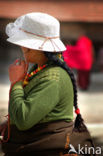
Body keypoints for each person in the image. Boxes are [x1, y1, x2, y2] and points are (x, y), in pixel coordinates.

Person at [0, 13, 93, 156]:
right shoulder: (39, 68)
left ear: (34, 48)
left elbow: (24, 120)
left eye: (24, 44)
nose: (21, 47)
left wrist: (16, 82)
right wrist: (9, 126)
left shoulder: (53, 78)